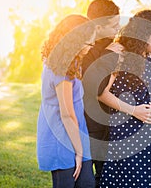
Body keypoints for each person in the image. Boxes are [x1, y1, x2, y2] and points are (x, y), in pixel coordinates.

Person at [98, 9, 151, 187]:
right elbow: (101, 93)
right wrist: (134, 111)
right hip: (127, 136)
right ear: (145, 33)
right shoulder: (119, 53)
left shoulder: (149, 57)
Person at [37, 14, 96, 188]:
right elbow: (67, 114)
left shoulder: (70, 63)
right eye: (88, 44)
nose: (90, 48)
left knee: (86, 183)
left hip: (76, 135)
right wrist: (78, 151)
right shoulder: (59, 68)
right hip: (61, 139)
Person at [81, 0, 122, 188]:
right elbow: (96, 88)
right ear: (98, 27)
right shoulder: (86, 52)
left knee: (106, 179)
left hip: (111, 126)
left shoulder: (113, 44)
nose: (118, 28)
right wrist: (110, 55)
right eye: (114, 24)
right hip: (90, 127)